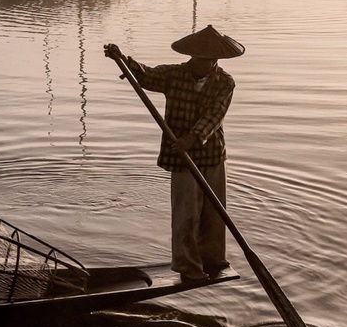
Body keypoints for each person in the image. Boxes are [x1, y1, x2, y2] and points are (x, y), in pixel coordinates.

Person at [104, 24, 245, 283]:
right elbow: (147, 76)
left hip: (211, 154)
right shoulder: (175, 75)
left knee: (214, 213)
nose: (208, 64)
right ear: (193, 58)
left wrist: (191, 138)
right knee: (186, 214)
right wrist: (123, 60)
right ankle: (188, 267)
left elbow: (216, 115)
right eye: (203, 60)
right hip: (182, 158)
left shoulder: (225, 82)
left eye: (212, 61)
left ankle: (213, 260)